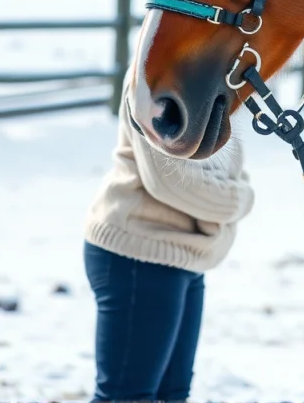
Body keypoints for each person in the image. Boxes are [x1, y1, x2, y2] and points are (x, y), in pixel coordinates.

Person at [82, 58, 255, 402]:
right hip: (137, 252)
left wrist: (228, 201)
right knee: (126, 397)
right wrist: (234, 203)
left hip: (187, 255)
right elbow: (169, 182)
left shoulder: (217, 84)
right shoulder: (153, 80)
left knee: (173, 395)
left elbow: (233, 170)